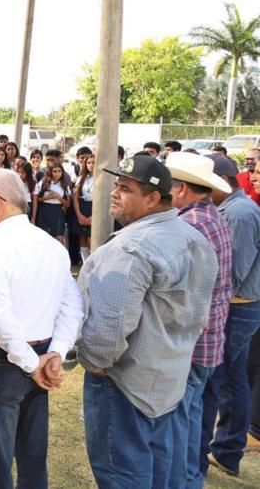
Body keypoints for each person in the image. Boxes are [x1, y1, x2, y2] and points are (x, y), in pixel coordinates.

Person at [77, 154, 218, 487]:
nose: (114, 193)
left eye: (126, 189)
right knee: (160, 473)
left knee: (125, 475)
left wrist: (95, 363)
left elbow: (109, 328)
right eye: (116, 185)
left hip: (126, 384)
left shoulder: (131, 248)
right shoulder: (195, 239)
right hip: (168, 379)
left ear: (153, 198)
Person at [0, 169, 83, 488]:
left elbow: (0, 318)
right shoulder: (51, 246)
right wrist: (54, 353)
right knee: (32, 457)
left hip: (2, 360)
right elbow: (72, 305)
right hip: (35, 356)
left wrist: (38, 362)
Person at [160, 152, 234, 488]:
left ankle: (186, 480)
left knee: (181, 423)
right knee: (191, 417)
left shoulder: (189, 226)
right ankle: (190, 477)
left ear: (182, 189)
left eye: (168, 186)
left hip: (191, 343)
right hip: (208, 340)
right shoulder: (212, 217)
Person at [200, 154, 260, 479]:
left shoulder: (238, 213)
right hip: (239, 305)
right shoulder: (234, 208)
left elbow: (234, 272)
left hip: (238, 306)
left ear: (223, 181)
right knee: (232, 379)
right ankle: (227, 451)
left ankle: (226, 449)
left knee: (224, 381)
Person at [32, 163, 70, 244]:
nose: (57, 173)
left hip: (58, 212)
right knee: (44, 239)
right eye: (54, 171)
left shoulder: (65, 184)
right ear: (50, 172)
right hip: (44, 211)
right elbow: (36, 199)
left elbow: (68, 204)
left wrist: (58, 197)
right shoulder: (43, 182)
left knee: (59, 239)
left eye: (59, 171)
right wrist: (48, 198)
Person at [71, 156, 95, 262]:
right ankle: (85, 263)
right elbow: (75, 197)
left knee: (91, 238)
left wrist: (94, 216)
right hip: (82, 207)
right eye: (89, 163)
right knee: (83, 237)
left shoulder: (102, 178)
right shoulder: (81, 178)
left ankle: (93, 263)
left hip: (95, 208)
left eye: (93, 162)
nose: (91, 165)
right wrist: (79, 215)